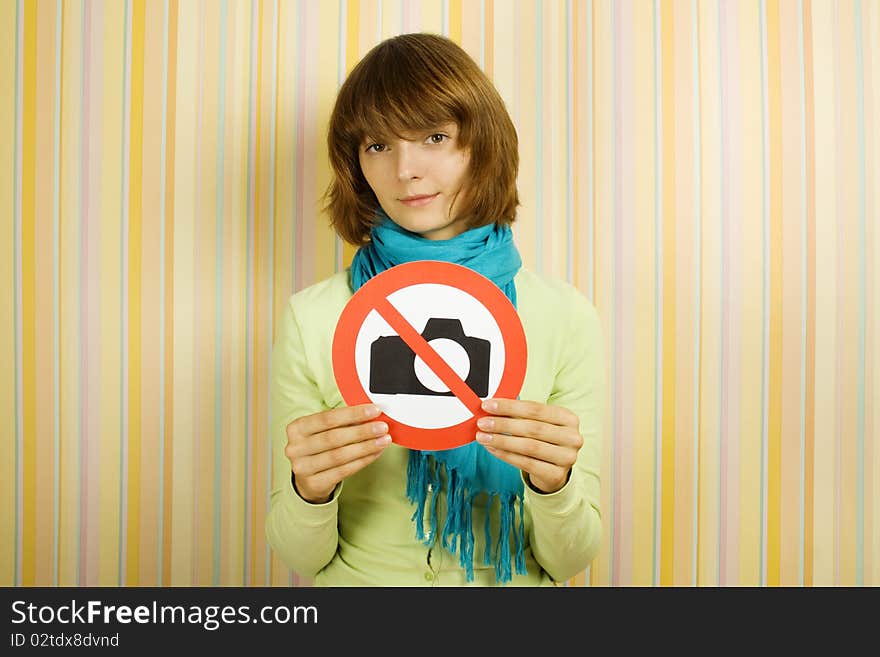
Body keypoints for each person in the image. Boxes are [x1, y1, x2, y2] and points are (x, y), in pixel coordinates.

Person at [265, 33, 605, 586]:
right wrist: (310, 489)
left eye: (434, 136)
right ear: (356, 165)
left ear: (482, 145)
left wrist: (554, 483)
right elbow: (301, 557)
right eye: (378, 145)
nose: (406, 170)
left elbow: (570, 560)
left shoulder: (564, 315)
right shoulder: (314, 315)